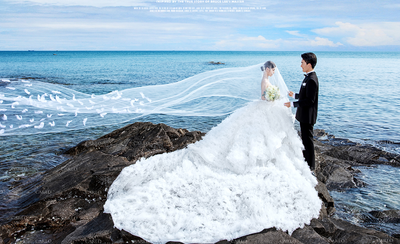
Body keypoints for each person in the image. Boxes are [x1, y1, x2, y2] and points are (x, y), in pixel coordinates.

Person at [104, 61, 321, 244]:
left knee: (261, 139)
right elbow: (265, 97)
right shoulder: (265, 81)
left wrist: (285, 97)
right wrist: (275, 98)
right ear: (268, 70)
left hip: (266, 112)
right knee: (254, 140)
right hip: (263, 109)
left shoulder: (284, 80)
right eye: (273, 70)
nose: (274, 73)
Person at [284, 52, 319, 171]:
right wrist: (294, 95)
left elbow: (309, 100)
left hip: (308, 116)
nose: (301, 65)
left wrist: (293, 104)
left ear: (309, 64)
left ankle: (310, 166)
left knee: (308, 140)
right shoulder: (308, 78)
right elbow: (305, 95)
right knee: (304, 138)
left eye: (302, 63)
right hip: (304, 115)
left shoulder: (312, 80)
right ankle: (307, 161)